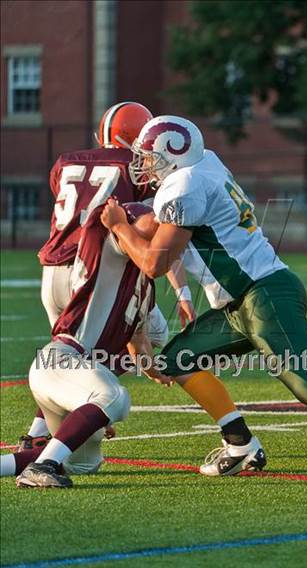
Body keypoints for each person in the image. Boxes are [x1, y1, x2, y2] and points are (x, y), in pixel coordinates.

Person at [101, 115, 307, 482]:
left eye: (152, 156)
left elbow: (155, 263)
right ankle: (240, 445)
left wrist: (119, 226)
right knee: (178, 360)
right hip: (240, 301)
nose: (146, 165)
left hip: (265, 294)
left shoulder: (185, 186)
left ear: (174, 156)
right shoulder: (204, 163)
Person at [20, 102, 194, 452]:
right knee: (148, 335)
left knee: (67, 357)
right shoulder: (135, 168)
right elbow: (157, 239)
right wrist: (183, 293)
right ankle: (87, 408)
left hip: (52, 270)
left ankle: (40, 431)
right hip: (95, 270)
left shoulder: (66, 161)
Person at [0, 202, 166, 487]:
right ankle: (42, 465)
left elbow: (138, 342)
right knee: (115, 397)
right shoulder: (112, 254)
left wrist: (157, 371)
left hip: (75, 376)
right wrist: (122, 222)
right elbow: (138, 225)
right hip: (60, 360)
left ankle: (16, 463)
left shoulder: (145, 285)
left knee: (83, 462)